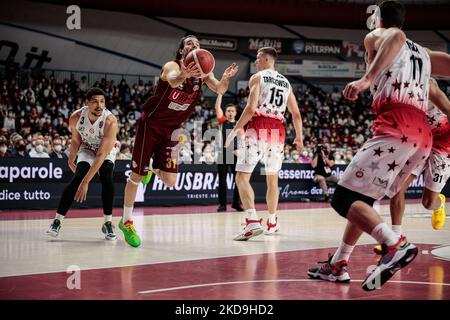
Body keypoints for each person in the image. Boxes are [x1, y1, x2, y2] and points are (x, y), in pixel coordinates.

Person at [307, 0, 450, 291]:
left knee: (343, 199)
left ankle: (395, 243)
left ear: (379, 19)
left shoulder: (382, 34)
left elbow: (395, 36)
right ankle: (338, 263)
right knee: (362, 201)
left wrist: (365, 79)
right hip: (422, 135)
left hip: (397, 125)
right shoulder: (423, 52)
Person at [121, 35, 238, 247]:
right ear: (182, 51)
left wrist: (225, 77)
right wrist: (184, 73)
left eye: (197, 44)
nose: (195, 46)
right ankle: (126, 221)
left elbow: (220, 89)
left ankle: (152, 169)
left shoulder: (204, 73)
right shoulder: (171, 66)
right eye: (189, 44)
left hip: (172, 131)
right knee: (136, 176)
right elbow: (174, 81)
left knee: (170, 180)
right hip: (152, 125)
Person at [225, 47, 303, 241]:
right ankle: (272, 221)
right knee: (272, 180)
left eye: (259, 58)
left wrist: (235, 129)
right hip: (278, 131)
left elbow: (251, 108)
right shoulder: (286, 83)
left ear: (267, 59)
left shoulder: (258, 77)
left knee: (242, 178)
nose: (256, 61)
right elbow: (296, 114)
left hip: (259, 126)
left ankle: (252, 222)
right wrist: (299, 137)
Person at [372, 78, 450, 255]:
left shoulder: (424, 81)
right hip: (420, 140)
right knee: (397, 187)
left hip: (443, 142)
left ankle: (438, 205)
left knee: (428, 203)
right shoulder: (392, 91)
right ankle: (395, 239)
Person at [47, 88, 119, 240]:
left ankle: (107, 223)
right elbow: (76, 140)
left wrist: (86, 182)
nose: (99, 105)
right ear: (87, 103)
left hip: (104, 151)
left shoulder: (110, 121)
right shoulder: (76, 117)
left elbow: (100, 155)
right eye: (95, 102)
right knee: (77, 177)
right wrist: (70, 159)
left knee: (106, 176)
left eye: (102, 101)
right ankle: (57, 221)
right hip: (87, 147)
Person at [214, 94, 244, 212]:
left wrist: (240, 151)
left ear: (236, 113)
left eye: (232, 111)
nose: (230, 113)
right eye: (228, 111)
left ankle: (236, 203)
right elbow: (217, 108)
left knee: (239, 180)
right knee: (222, 180)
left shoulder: (240, 125)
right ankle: (222, 204)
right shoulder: (222, 121)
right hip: (224, 154)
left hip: (236, 154)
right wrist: (220, 94)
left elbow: (242, 140)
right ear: (225, 113)